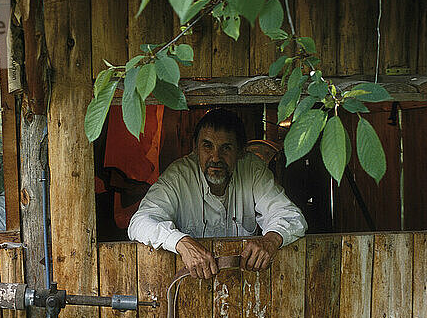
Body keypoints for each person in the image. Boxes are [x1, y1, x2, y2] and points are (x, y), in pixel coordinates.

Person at [128, 108, 307, 279]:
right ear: (195, 148)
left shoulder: (253, 169)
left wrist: (271, 240)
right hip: (191, 287)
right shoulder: (178, 175)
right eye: (207, 146)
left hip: (248, 284)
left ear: (241, 151)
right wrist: (180, 242)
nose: (215, 157)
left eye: (226, 148)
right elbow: (140, 222)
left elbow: (291, 216)